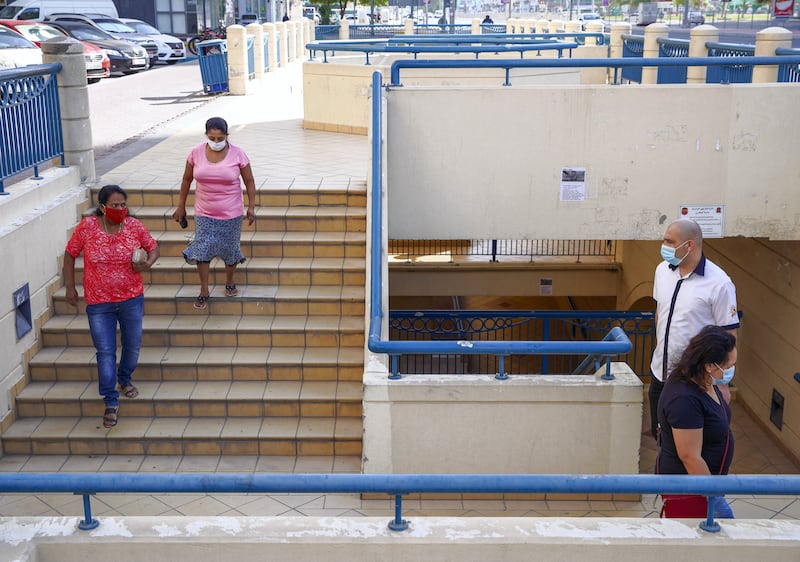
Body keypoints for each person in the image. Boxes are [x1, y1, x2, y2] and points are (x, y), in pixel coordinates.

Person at [63, 185, 159, 428]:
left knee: (132, 346)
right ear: (102, 207)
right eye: (114, 205)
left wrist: (147, 263)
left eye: (122, 205)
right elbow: (70, 253)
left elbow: (153, 247)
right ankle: (110, 400)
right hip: (99, 303)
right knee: (105, 352)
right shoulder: (87, 227)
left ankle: (124, 378)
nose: (119, 209)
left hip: (130, 299)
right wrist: (70, 287)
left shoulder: (134, 226)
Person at [649, 218, 738, 439]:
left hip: (694, 381)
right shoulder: (662, 271)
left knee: (691, 445)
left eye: (670, 242)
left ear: (689, 245)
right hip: (660, 374)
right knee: (662, 437)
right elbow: (660, 313)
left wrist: (722, 382)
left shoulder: (719, 284)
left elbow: (729, 337)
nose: (664, 246)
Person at [173, 116, 256, 310]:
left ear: (227, 136)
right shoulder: (195, 153)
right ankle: (204, 289)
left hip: (231, 212)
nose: (216, 142)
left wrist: (251, 207)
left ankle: (229, 281)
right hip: (204, 212)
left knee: (229, 249)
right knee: (203, 250)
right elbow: (186, 180)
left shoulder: (238, 154)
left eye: (220, 138)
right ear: (206, 135)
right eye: (212, 138)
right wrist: (181, 206)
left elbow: (249, 181)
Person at [656, 325, 737, 518]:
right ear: (709, 365)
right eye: (726, 367)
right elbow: (690, 456)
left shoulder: (705, 380)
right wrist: (712, 496)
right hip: (690, 489)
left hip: (707, 484)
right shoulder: (684, 399)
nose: (729, 371)